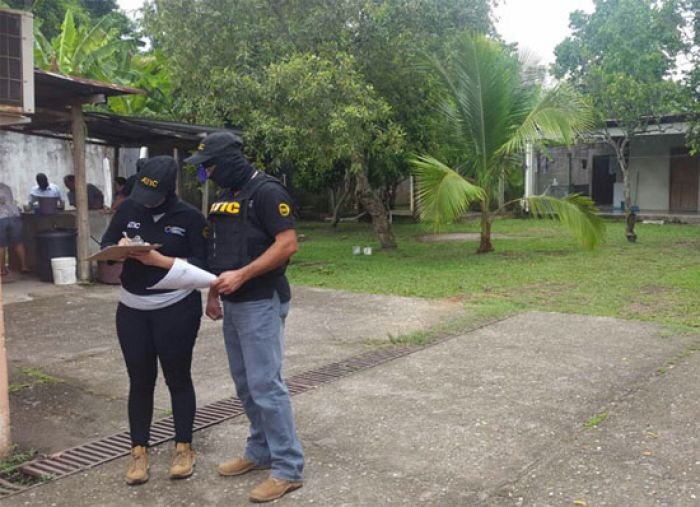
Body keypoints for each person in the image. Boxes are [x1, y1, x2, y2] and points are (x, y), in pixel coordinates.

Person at [184, 132, 304, 503]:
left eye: (209, 167)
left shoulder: (267, 192)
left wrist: (243, 275)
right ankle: (260, 450)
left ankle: (288, 468)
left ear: (229, 161)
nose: (206, 174)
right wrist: (214, 293)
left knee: (266, 385)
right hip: (233, 302)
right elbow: (219, 250)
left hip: (261, 300)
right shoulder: (225, 196)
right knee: (245, 384)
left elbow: (287, 244)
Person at [100, 156, 208, 485]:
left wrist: (160, 261)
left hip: (175, 307)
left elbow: (204, 264)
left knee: (178, 378)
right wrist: (117, 249)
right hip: (132, 310)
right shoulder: (129, 209)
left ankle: (183, 447)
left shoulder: (190, 217)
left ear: (169, 189)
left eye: (153, 196)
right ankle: (138, 451)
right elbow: (106, 245)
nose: (146, 203)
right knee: (140, 381)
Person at [0, 182, 28, 276]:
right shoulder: (6, 187)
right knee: (18, 243)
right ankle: (24, 266)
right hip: (14, 216)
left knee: (1, 245)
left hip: (1, 219)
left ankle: (2, 270)